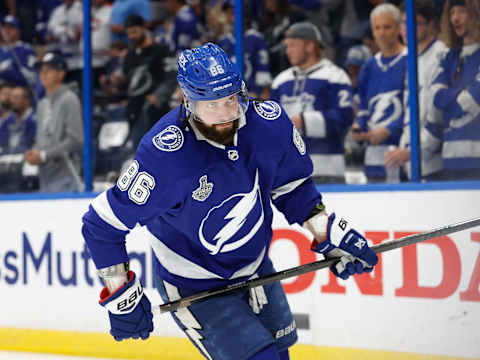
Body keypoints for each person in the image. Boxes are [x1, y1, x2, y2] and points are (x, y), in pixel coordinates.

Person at [81, 43, 378, 360]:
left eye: (230, 99)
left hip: (256, 268)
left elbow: (292, 188)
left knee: (281, 356)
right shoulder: (164, 154)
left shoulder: (268, 124)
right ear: (189, 101)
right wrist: (120, 293)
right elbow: (101, 225)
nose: (226, 114)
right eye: (212, 105)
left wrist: (327, 232)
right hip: (195, 284)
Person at [271, 22, 354, 183]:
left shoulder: (335, 76)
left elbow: (344, 117)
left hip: (327, 169)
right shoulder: (280, 81)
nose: (287, 51)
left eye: (293, 45)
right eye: (287, 46)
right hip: (290, 173)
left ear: (310, 46)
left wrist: (305, 121)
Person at [385, 0, 447, 180]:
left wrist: (413, 152)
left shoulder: (440, 56)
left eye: (414, 23)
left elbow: (437, 116)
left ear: (432, 25)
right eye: (403, 23)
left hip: (432, 164)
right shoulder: (413, 58)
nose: (405, 29)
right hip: (411, 161)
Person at [351, 3, 407, 182]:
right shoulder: (369, 66)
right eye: (377, 28)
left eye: (387, 27)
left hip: (401, 152)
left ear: (399, 28)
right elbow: (364, 109)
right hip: (373, 156)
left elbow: (415, 108)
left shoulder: (410, 61)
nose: (381, 33)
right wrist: (359, 127)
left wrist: (390, 130)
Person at [426, 0, 480, 180]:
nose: (455, 18)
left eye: (462, 12)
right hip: (449, 162)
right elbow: (436, 98)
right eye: (452, 13)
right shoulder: (448, 58)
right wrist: (460, 94)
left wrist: (451, 98)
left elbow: (471, 100)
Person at [24, 52, 83, 192]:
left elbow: (76, 140)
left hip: (66, 176)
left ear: (61, 74)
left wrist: (44, 155)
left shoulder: (69, 99)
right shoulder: (42, 104)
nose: (43, 75)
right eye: (41, 71)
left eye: (48, 71)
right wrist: (34, 152)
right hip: (45, 177)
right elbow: (41, 137)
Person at [119, 14, 176, 149]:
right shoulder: (130, 55)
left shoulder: (161, 50)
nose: (132, 36)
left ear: (143, 28)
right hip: (134, 110)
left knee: (159, 152)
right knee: (138, 153)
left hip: (155, 111)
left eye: (134, 32)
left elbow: (172, 76)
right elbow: (127, 81)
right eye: (129, 33)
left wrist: (158, 96)